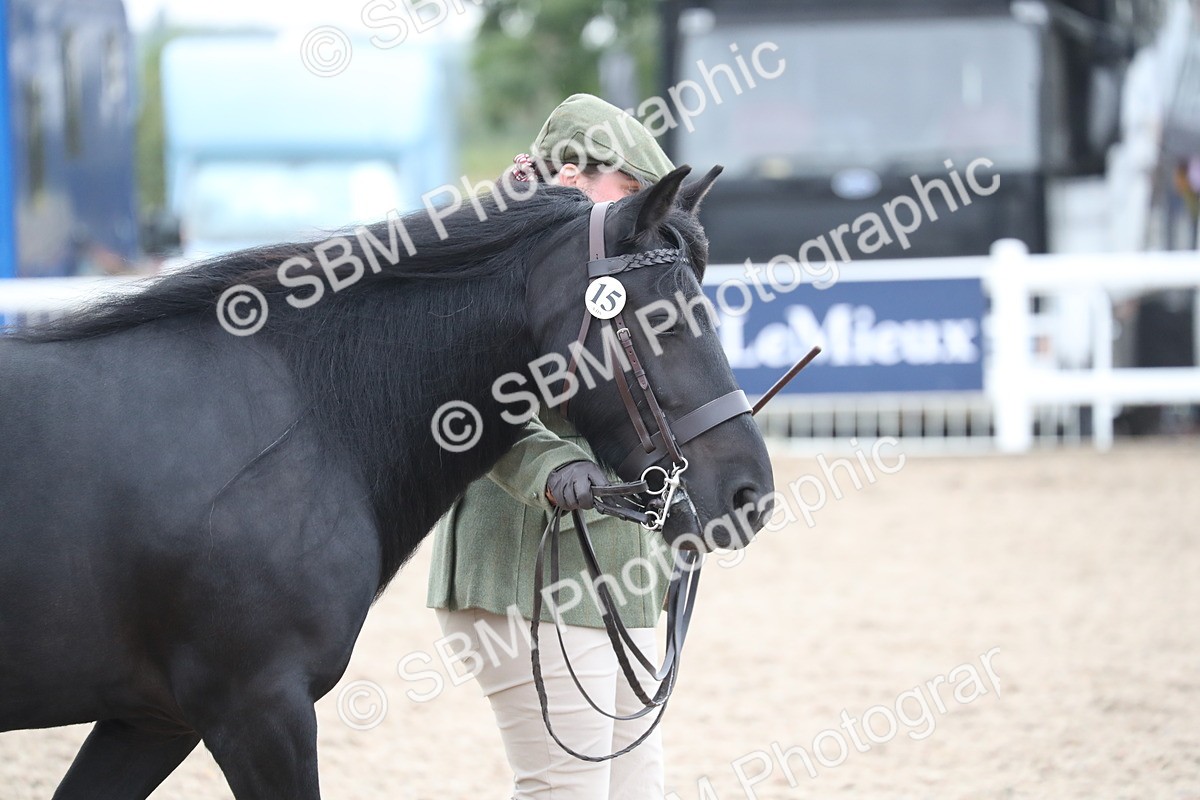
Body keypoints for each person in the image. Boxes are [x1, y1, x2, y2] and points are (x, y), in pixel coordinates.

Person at [426, 93, 677, 799]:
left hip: (617, 574)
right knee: (566, 791)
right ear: (572, 176)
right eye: (627, 191)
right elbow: (472, 406)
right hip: (527, 569)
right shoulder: (501, 266)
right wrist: (555, 464)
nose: (637, 215)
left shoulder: (616, 277)